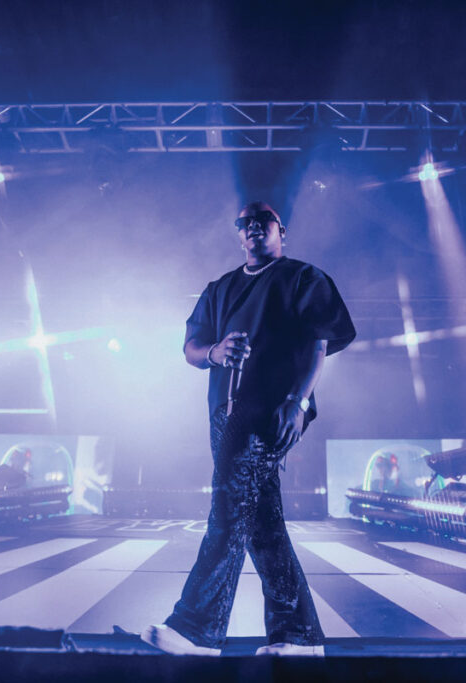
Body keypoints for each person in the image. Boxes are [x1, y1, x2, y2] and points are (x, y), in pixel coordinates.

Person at [141, 201, 355, 656]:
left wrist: (298, 402)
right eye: (245, 223)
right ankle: (298, 637)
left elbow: (320, 343)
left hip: (272, 409)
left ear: (282, 230)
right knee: (261, 524)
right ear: (238, 235)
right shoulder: (219, 288)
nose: (254, 227)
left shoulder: (303, 277)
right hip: (225, 412)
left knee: (226, 508)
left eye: (264, 221)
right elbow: (191, 349)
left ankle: (196, 629)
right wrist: (216, 352)